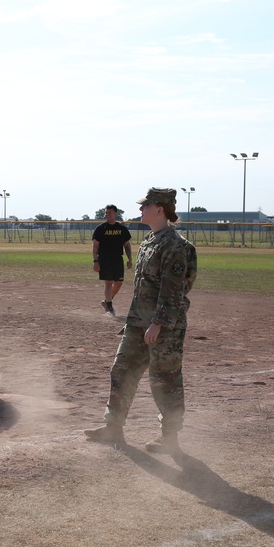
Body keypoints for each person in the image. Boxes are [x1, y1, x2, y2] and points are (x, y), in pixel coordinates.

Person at [84, 188, 197, 454]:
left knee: (164, 380)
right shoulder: (150, 241)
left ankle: (170, 438)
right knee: (121, 370)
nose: (140, 210)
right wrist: (135, 319)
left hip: (164, 325)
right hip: (139, 322)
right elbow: (143, 287)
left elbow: (174, 289)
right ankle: (113, 426)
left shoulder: (175, 245)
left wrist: (157, 323)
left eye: (146, 206)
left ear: (160, 209)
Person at [92, 204, 132, 315]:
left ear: (115, 214)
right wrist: (95, 261)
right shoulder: (100, 229)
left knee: (119, 282)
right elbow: (95, 246)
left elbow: (127, 245)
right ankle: (109, 307)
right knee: (108, 283)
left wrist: (130, 259)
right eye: (106, 213)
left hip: (118, 259)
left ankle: (107, 301)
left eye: (109, 213)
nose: (107, 215)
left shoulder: (121, 228)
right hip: (104, 259)